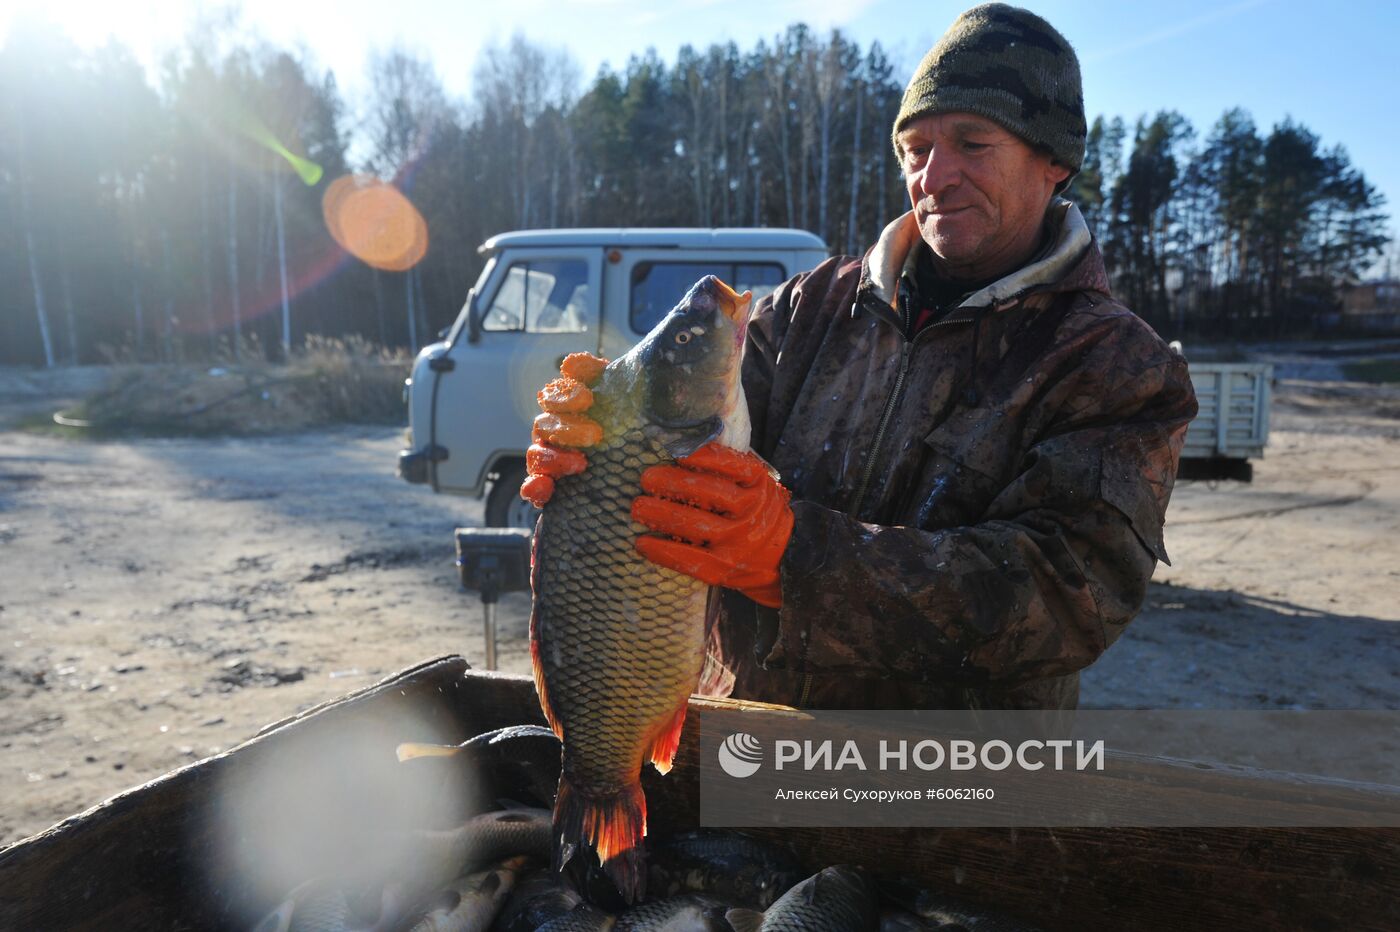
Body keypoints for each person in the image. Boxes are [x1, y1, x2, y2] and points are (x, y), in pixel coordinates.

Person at [522, 3, 1198, 711]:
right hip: (741, 750)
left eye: (973, 144)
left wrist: (793, 557)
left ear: (1054, 160)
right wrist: (600, 446)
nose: (935, 177)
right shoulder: (804, 310)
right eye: (915, 149)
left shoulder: (1117, 366)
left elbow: (1065, 597)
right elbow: (677, 463)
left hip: (947, 799)